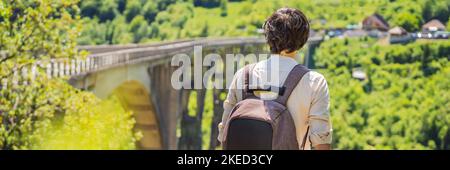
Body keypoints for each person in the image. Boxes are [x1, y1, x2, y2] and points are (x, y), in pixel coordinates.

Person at [217, 8, 332, 150]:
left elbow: (224, 135)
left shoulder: (242, 75)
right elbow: (321, 142)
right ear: (303, 40)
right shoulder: (314, 82)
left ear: (268, 38)